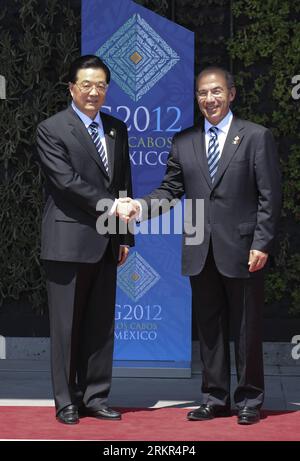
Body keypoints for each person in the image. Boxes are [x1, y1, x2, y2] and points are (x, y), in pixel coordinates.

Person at [121, 67, 282, 425]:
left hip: (243, 247)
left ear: (232, 93)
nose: (209, 99)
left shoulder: (255, 137)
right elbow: (170, 191)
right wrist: (139, 207)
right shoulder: (184, 141)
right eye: (202, 93)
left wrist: (262, 242)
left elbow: (270, 197)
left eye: (216, 92)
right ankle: (215, 398)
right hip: (198, 245)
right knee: (209, 329)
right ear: (196, 98)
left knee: (245, 328)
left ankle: (250, 400)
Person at [36, 55, 135, 424]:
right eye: (86, 85)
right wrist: (112, 205)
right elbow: (65, 181)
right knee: (66, 329)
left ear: (107, 89)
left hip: (107, 242)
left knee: (99, 326)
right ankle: (66, 401)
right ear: (72, 88)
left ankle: (96, 396)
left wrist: (124, 234)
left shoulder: (116, 128)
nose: (94, 92)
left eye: (101, 86)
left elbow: (123, 182)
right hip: (67, 241)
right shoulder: (52, 128)